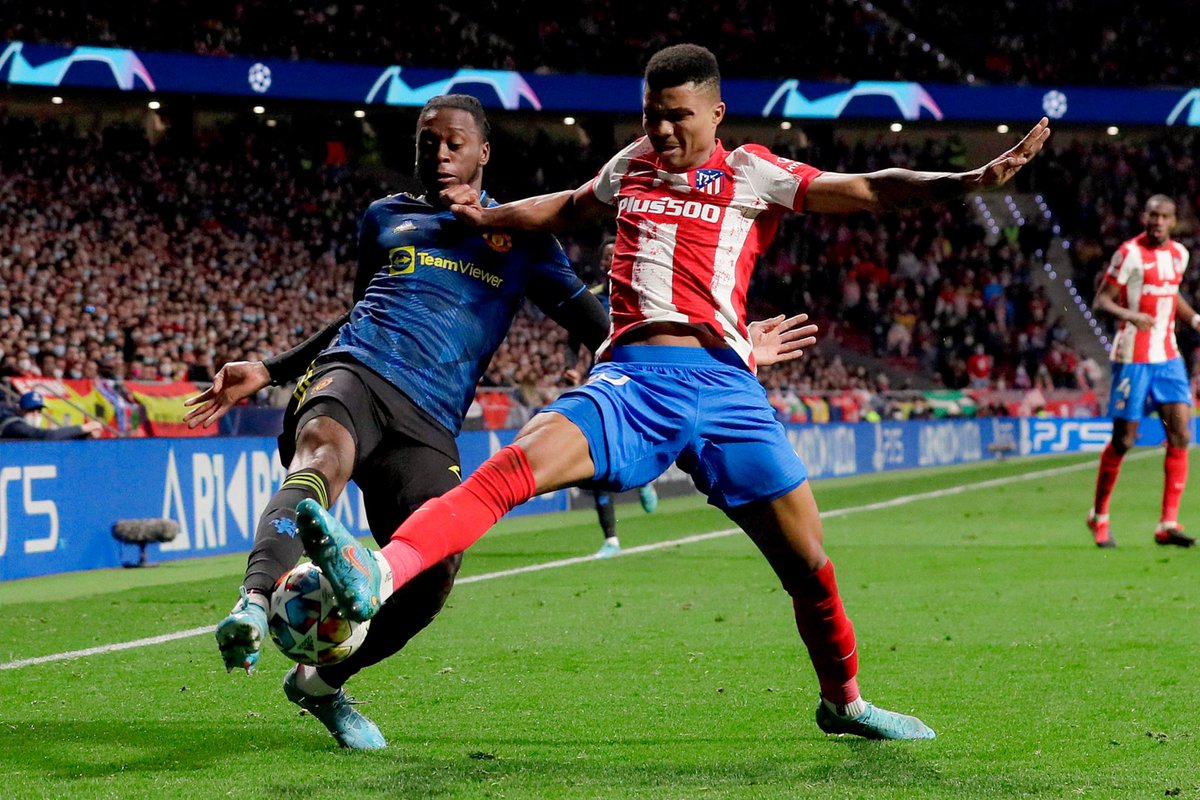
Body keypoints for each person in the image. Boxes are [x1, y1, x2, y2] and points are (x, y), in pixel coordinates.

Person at [298, 44, 1050, 741]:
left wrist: (966, 182)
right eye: (651, 115)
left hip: (727, 391)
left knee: (809, 565)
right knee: (511, 470)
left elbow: (868, 189)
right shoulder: (632, 165)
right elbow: (567, 205)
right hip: (633, 381)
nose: (660, 131)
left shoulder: (754, 172)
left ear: (716, 114)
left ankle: (844, 701)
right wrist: (490, 216)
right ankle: (378, 572)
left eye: (677, 116)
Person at [184, 93, 811, 750]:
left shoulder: (524, 239)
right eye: (428, 143)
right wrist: (272, 369)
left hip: (429, 420)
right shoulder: (385, 217)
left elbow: (599, 326)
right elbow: (359, 312)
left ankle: (320, 684)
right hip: (356, 371)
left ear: (483, 152)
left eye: (454, 143)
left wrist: (723, 348)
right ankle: (253, 603)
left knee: (434, 574)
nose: (440, 153)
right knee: (322, 457)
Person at [1086, 194, 1197, 549]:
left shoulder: (1179, 255)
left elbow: (1170, 295)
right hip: (1132, 357)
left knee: (1181, 433)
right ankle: (1099, 516)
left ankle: (1168, 523)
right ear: (1144, 217)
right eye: (1153, 215)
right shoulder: (1129, 253)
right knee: (1124, 440)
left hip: (1168, 357)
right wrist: (1130, 315)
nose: (1158, 222)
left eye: (1164, 217)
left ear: (1173, 221)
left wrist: (1194, 318)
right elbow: (1101, 300)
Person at [0, 390, 103, 439]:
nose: (35, 415)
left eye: (39, 411)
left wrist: (85, 436)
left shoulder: (29, 427)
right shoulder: (13, 425)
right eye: (31, 410)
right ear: (20, 411)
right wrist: (84, 428)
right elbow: (48, 435)